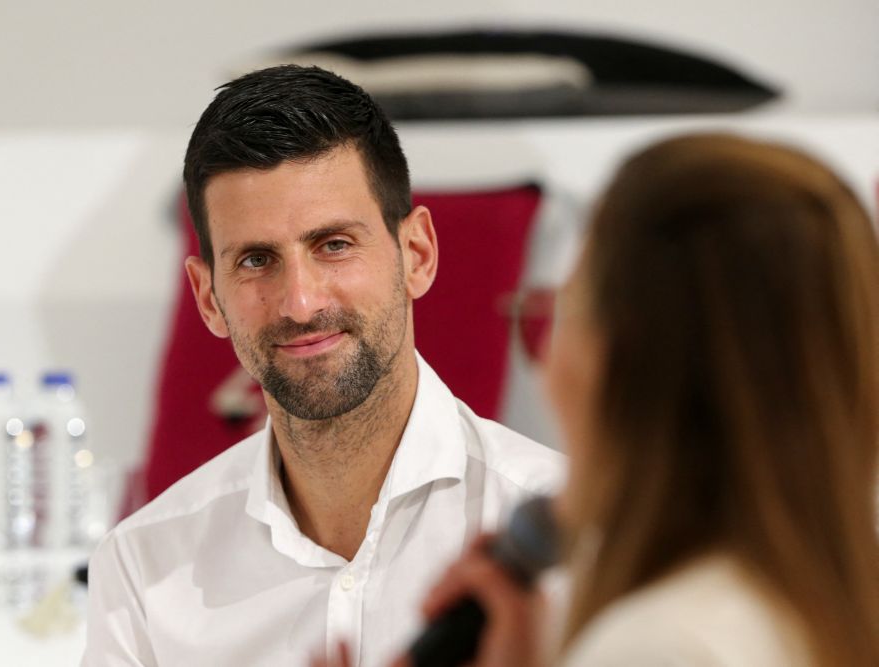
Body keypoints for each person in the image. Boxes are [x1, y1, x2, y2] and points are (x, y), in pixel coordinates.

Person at [81, 65, 566, 666]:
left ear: (416, 254)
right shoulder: (141, 568)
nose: (301, 303)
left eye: (334, 245)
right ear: (208, 299)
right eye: (256, 260)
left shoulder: (584, 547)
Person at [354, 133, 879, 666]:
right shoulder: (831, 606)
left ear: (624, 359)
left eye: (566, 306)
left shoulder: (663, 644)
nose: (546, 361)